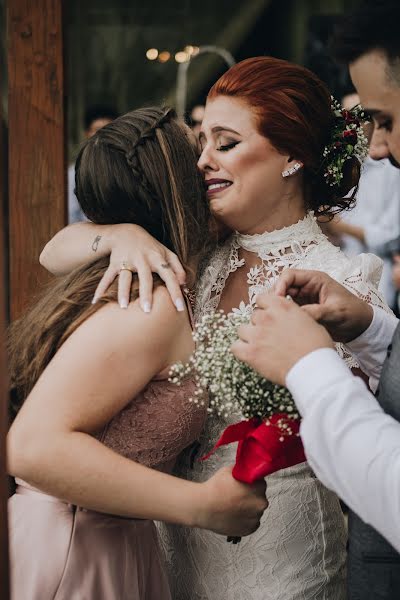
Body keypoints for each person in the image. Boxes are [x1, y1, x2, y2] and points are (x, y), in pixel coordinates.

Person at [40, 56, 389, 599]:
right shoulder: (197, 245)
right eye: (201, 143)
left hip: (278, 552)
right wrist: (120, 236)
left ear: (292, 155)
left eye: (224, 143)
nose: (202, 161)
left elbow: (373, 416)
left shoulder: (343, 278)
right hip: (168, 541)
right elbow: (51, 253)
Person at [7, 107, 268, 600]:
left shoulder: (141, 268)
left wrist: (121, 233)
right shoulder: (148, 305)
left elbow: (53, 250)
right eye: (199, 152)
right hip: (73, 548)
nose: (209, 163)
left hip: (115, 540)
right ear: (179, 186)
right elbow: (31, 447)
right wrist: (201, 506)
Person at [234, 2, 400, 598]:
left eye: (384, 119)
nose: (378, 149)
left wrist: (311, 368)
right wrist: (376, 334)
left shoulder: (346, 266)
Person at [325, 91, 400, 309]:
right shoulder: (338, 165)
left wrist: (342, 227)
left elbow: (392, 235)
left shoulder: (390, 169)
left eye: (360, 118)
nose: (351, 126)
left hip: (377, 279)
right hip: (334, 270)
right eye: (346, 118)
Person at [68, 105, 118, 224]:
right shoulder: (73, 174)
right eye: (98, 130)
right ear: (87, 133)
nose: (103, 135)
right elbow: (71, 216)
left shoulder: (126, 169)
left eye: (109, 129)